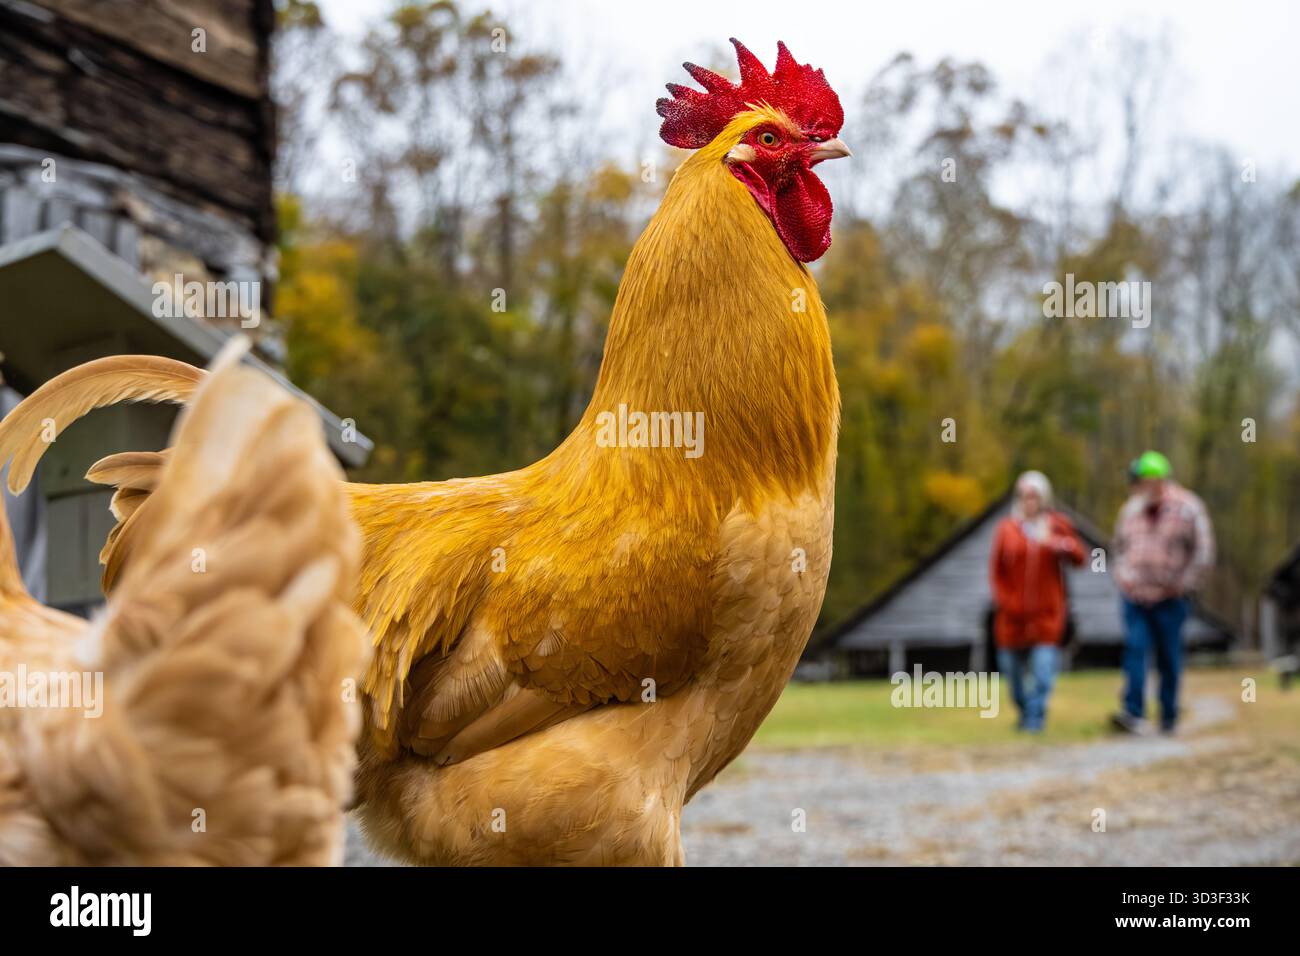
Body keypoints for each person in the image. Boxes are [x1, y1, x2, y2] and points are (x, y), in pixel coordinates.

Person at [1110, 451, 1215, 734]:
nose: (1141, 488)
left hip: (1171, 598)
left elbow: (1203, 552)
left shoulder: (1188, 507)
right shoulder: (1131, 509)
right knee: (1135, 648)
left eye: (1145, 481)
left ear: (1158, 480)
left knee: (1168, 655)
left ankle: (1168, 715)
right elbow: (1117, 548)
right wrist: (1124, 577)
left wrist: (1185, 582)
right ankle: (1133, 712)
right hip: (1135, 596)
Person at [989, 471, 1086, 732]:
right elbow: (996, 571)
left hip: (1047, 616)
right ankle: (1025, 711)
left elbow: (1081, 557)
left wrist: (1058, 543)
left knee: (1043, 673)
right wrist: (1005, 600)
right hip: (1012, 618)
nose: (1029, 501)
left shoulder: (1057, 525)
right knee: (1013, 676)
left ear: (1043, 498)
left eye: (1034, 496)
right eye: (1024, 496)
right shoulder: (1007, 529)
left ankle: (1035, 720)